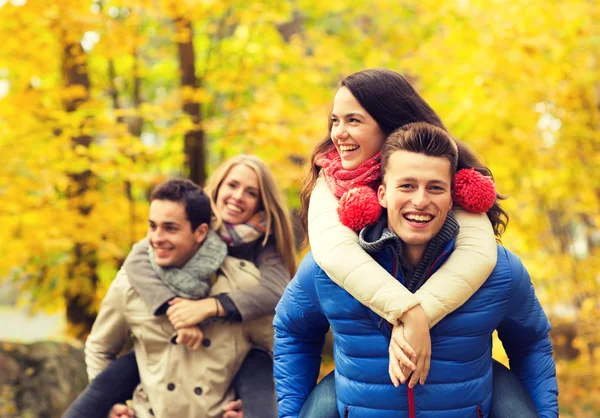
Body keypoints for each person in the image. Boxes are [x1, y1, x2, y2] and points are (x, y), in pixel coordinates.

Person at [274, 123, 558, 417]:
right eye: (407, 186)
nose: (420, 201)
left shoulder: (501, 271)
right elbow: (293, 331)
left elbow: (531, 343)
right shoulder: (327, 268)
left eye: (435, 188)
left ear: (451, 199)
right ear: (382, 194)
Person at [300, 68, 501, 393]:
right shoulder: (332, 176)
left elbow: (476, 255)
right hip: (362, 373)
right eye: (335, 120)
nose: (339, 133)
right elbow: (334, 252)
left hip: (453, 368)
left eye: (354, 120)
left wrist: (419, 315)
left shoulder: (441, 170)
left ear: (390, 121)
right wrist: (407, 312)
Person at [63, 155, 295, 418]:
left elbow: (277, 307)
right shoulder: (155, 252)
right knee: (135, 359)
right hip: (156, 387)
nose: (238, 196)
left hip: (229, 353)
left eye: (251, 192)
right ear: (217, 189)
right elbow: (137, 259)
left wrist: (259, 402)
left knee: (257, 361)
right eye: (232, 185)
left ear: (200, 232)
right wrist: (177, 311)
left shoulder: (260, 251)